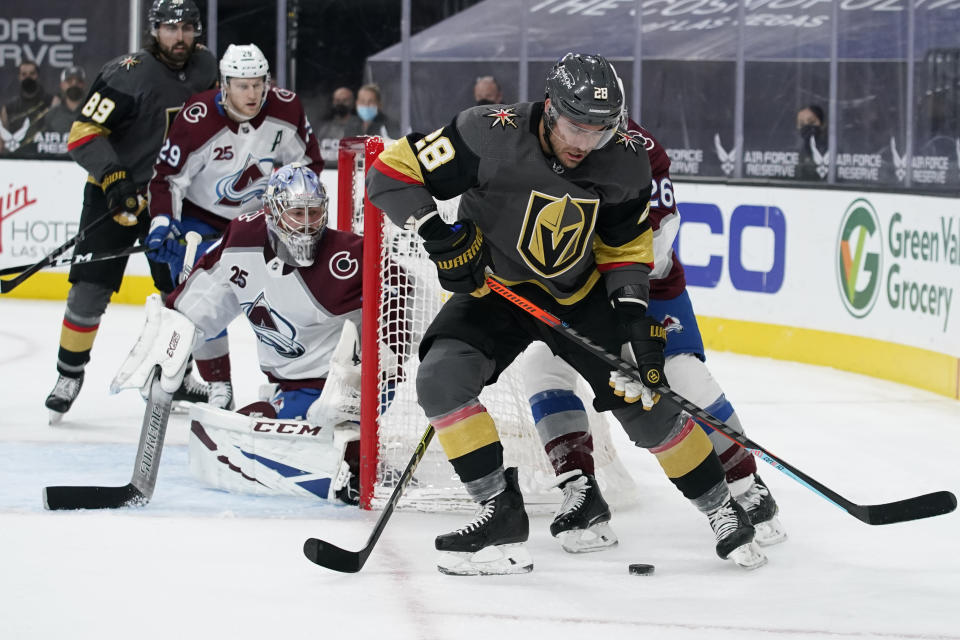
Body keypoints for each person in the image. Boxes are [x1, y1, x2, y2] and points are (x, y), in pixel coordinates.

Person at [366, 52, 764, 575]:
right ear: (551, 109)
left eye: (598, 130)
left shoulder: (623, 158)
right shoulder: (487, 132)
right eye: (576, 126)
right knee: (440, 380)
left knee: (644, 402)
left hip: (579, 297)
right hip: (495, 292)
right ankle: (499, 513)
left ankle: (723, 510)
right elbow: (390, 173)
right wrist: (435, 233)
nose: (583, 143)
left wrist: (633, 318)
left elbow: (625, 247)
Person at [522, 120, 786, 555]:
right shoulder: (535, 140)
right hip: (573, 295)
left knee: (682, 376)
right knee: (542, 364)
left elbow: (657, 239)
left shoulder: (639, 150)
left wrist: (627, 312)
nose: (580, 135)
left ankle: (745, 486)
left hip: (646, 288)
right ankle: (580, 489)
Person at [158, 164, 394, 503]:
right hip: (292, 382)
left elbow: (404, 294)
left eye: (315, 212)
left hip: (345, 386)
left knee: (325, 449)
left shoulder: (348, 256)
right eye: (297, 212)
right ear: (272, 212)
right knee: (232, 440)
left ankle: (361, 454)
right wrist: (169, 340)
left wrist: (376, 366)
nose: (309, 223)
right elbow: (205, 298)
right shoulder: (242, 238)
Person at [43, 0, 217, 424]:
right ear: (154, 30)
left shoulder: (207, 67)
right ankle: (69, 374)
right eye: (171, 28)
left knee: (181, 291)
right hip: (114, 194)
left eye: (187, 28)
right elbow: (83, 133)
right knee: (89, 288)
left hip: (170, 198)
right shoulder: (126, 72)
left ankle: (175, 375)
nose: (180, 37)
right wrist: (115, 177)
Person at [145, 43, 323, 409]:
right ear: (224, 85)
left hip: (262, 220)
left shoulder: (286, 108)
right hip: (202, 220)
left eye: (259, 84)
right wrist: (163, 223)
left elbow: (308, 165)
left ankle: (287, 382)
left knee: (284, 298)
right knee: (204, 298)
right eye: (242, 85)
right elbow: (168, 179)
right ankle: (218, 385)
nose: (253, 94)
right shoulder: (197, 118)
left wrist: (290, 213)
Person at [0, 60, 58, 155]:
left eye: (32, 74)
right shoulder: (9, 107)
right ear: (19, 77)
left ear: (37, 76)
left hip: (47, 155)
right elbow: (2, 140)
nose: (28, 77)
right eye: (24, 74)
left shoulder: (52, 102)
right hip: (17, 158)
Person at [35, 66, 89, 156]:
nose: (74, 84)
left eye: (78, 81)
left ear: (84, 85)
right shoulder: (51, 114)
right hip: (58, 163)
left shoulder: (92, 112)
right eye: (69, 81)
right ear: (62, 85)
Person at [314, 86, 361, 166]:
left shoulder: (360, 126)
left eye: (345, 100)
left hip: (350, 170)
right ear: (333, 102)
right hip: (326, 171)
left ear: (353, 103)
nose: (340, 103)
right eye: (337, 100)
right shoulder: (324, 128)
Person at [796, 104, 826, 181]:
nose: (807, 126)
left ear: (822, 124)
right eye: (802, 124)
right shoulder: (793, 154)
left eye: (812, 122)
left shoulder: (833, 151)